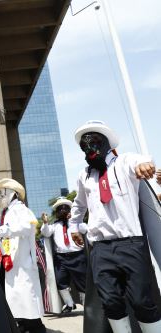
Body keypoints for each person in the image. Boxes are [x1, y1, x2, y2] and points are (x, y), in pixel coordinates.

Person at [69, 120, 160, 333]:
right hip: (100, 248)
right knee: (110, 301)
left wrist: (145, 165)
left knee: (141, 300)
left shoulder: (125, 162)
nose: (89, 148)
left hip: (131, 244)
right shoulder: (84, 175)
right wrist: (74, 226)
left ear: (107, 143)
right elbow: (79, 204)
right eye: (84, 145)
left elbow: (144, 160)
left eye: (94, 142)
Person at [0, 178, 46, 333]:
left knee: (27, 305)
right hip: (8, 263)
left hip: (22, 264)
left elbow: (27, 226)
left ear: (12, 193)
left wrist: (3, 230)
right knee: (16, 304)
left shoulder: (20, 209)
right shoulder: (4, 213)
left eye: (1, 193)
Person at [41, 198, 87, 313]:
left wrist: (77, 220)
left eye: (65, 208)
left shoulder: (76, 223)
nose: (62, 210)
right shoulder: (54, 225)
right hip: (61, 258)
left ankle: (87, 305)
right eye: (59, 208)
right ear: (56, 212)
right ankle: (69, 304)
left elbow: (86, 229)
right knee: (60, 280)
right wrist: (45, 223)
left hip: (77, 256)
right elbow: (45, 232)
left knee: (82, 282)